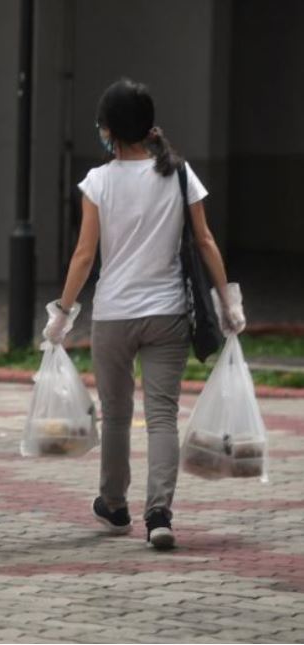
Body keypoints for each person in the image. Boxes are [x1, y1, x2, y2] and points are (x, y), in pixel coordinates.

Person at [44, 79, 245, 550]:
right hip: (168, 313)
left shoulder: (98, 182)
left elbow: (83, 254)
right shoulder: (178, 175)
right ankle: (160, 514)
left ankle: (114, 506)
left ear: (108, 130)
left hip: (113, 314)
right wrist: (228, 299)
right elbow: (206, 240)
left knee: (116, 416)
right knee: (161, 417)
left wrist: (63, 311)